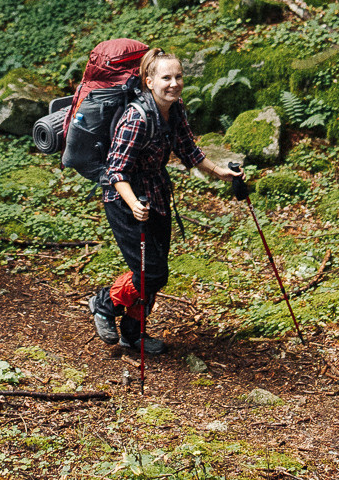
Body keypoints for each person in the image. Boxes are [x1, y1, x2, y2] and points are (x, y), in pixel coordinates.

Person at [85, 49, 242, 354]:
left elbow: (188, 149)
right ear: (149, 81)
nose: (174, 83)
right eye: (166, 77)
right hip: (124, 199)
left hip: (156, 194)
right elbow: (116, 170)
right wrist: (133, 204)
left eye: (178, 76)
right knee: (151, 272)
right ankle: (104, 303)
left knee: (153, 272)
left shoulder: (176, 108)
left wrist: (219, 171)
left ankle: (133, 333)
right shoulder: (136, 117)